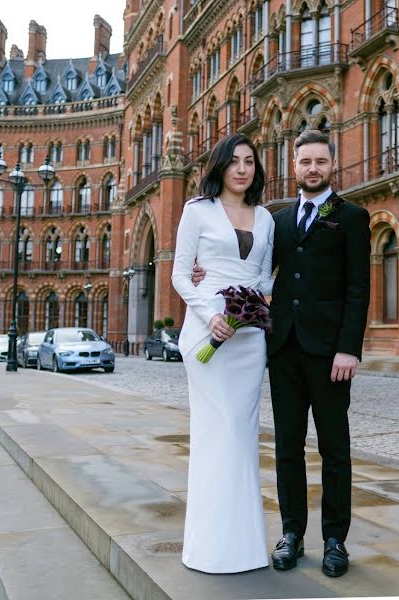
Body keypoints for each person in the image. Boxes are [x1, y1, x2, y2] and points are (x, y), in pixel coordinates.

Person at [193, 129, 371, 577]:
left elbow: (358, 289)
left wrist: (349, 349)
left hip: (331, 355)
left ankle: (335, 540)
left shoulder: (351, 217)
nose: (313, 168)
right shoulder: (280, 221)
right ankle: (292, 533)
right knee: (288, 447)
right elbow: (259, 275)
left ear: (332, 166)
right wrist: (205, 273)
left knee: (335, 449)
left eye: (320, 162)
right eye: (305, 161)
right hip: (284, 350)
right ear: (294, 167)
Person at [171, 133, 274, 573]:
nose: (242, 169)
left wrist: (254, 305)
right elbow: (180, 274)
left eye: (249, 161)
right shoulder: (197, 211)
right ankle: (208, 549)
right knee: (217, 435)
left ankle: (245, 549)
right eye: (233, 161)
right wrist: (211, 312)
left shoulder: (267, 218)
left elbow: (266, 279)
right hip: (206, 332)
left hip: (249, 339)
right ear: (220, 167)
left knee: (242, 437)